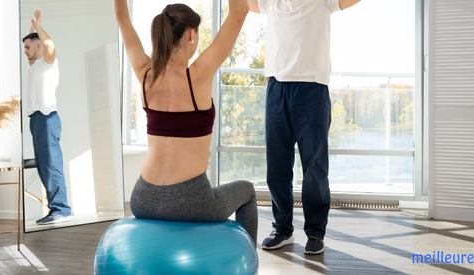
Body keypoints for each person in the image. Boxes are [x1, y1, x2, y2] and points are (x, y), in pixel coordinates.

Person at [113, 0, 258, 245]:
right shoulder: (198, 76)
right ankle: (250, 258)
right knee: (248, 190)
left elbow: (122, 18)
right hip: (190, 199)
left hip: (143, 197)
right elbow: (239, 12)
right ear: (191, 34)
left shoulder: (145, 73)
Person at [247, 0, 360, 254]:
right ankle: (283, 229)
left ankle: (315, 232)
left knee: (314, 167)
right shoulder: (270, 3)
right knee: (277, 165)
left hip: (312, 88)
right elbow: (245, 5)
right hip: (277, 88)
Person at [22, 9, 72, 225]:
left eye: (27, 47)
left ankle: (61, 209)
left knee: (52, 164)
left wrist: (38, 27)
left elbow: (50, 45)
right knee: (44, 166)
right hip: (36, 120)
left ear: (39, 45)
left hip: (47, 118)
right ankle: (56, 208)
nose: (25, 51)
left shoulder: (48, 63)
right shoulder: (34, 67)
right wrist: (31, 32)